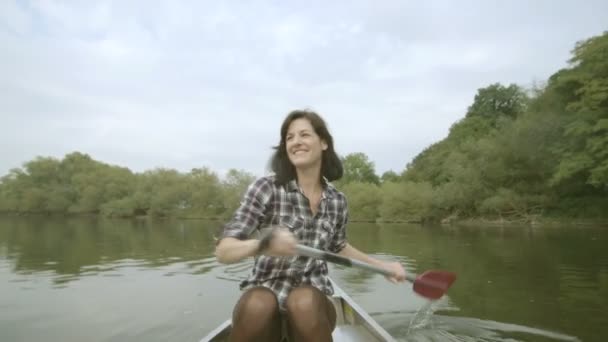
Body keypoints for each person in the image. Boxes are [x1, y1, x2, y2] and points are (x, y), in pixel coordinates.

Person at [215, 109, 406, 342]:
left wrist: (382, 265)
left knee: (303, 301)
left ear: (323, 142)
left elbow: (338, 247)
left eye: (304, 135)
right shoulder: (266, 188)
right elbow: (224, 251)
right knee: (258, 304)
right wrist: (262, 244)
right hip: (264, 302)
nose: (296, 142)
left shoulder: (337, 201)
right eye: (289, 137)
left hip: (314, 305)